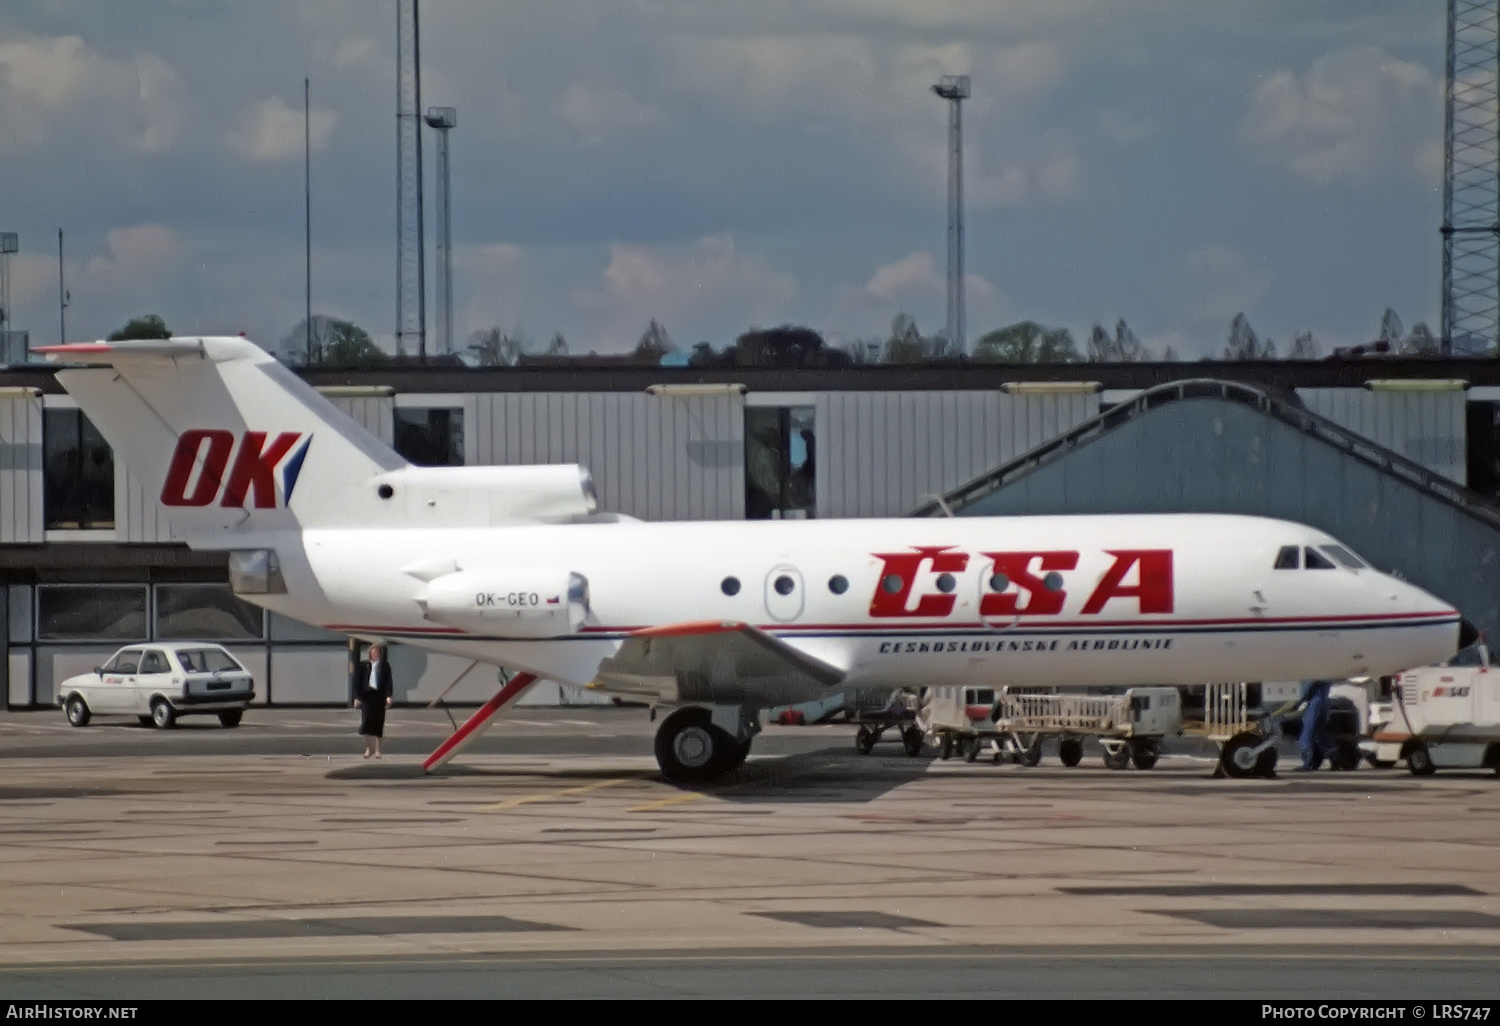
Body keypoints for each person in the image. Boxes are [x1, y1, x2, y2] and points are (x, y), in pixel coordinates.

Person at [354, 643, 395, 759]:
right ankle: (368, 748)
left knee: (378, 724)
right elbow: (357, 682)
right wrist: (357, 697)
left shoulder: (384, 666)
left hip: (379, 696)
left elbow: (388, 681)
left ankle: (377, 750)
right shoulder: (363, 665)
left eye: (376, 652)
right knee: (366, 723)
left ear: (380, 653)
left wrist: (388, 695)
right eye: (373, 652)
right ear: (370, 653)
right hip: (367, 696)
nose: (374, 653)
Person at [1294, 680, 1333, 771]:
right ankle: (1334, 754)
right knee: (1316, 727)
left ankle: (1308, 760)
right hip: (1319, 689)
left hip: (1315, 689)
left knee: (1309, 727)